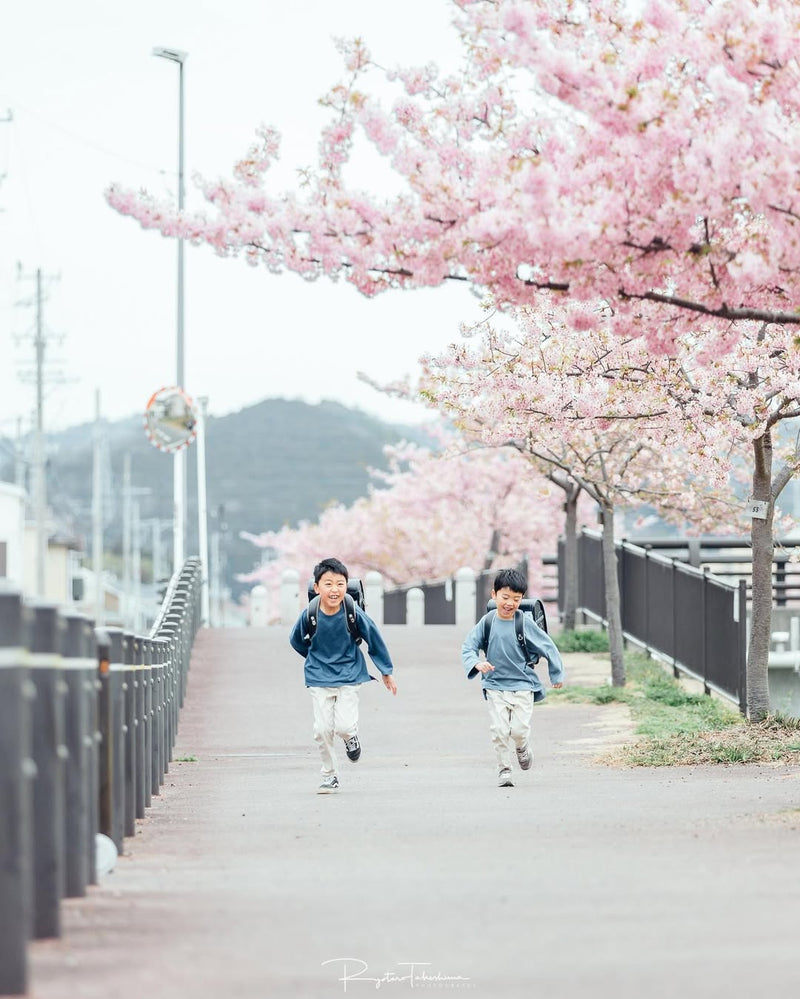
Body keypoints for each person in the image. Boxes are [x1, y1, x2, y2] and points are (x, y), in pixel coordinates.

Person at [289, 556, 397, 794]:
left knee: (345, 726)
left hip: (349, 674)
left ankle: (351, 738)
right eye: (328, 584)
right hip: (319, 677)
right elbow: (295, 640)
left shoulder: (351, 610)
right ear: (316, 587)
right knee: (322, 729)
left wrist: (385, 670)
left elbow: (373, 637)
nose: (335, 589)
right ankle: (329, 775)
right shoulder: (310, 612)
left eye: (340, 584)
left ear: (346, 586)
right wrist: (314, 658)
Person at [462, 567, 564, 788]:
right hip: (495, 685)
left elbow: (548, 646)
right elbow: (468, 647)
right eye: (505, 597)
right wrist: (477, 663)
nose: (509, 603)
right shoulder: (487, 622)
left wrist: (556, 672)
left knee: (518, 730)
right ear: (494, 595)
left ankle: (522, 746)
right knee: (499, 731)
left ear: (522, 600)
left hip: (523, 684)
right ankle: (504, 769)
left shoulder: (523, 622)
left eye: (516, 599)